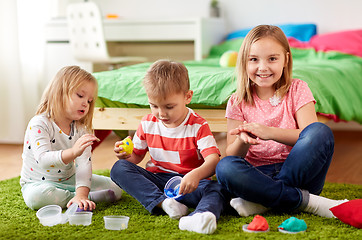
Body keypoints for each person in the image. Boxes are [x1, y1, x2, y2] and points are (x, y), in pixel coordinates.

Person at [215, 25, 348, 218]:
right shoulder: (237, 101)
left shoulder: (298, 89)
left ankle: (264, 201)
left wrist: (268, 132)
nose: (263, 67)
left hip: (300, 173)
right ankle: (305, 201)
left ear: (285, 59)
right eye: (254, 59)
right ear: (244, 62)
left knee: (320, 131)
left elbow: (309, 134)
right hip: (257, 176)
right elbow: (232, 154)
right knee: (225, 167)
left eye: (272, 59)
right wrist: (242, 141)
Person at [110, 60, 227, 234]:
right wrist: (124, 154)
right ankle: (164, 203)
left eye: (169, 107)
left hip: (189, 184)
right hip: (157, 182)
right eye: (154, 106)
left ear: (187, 97)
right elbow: (135, 157)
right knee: (119, 168)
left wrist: (196, 174)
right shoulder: (148, 122)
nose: (161, 113)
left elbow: (213, 159)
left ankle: (201, 216)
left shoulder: (198, 125)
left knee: (217, 189)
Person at [20, 66, 122, 211]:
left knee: (115, 188)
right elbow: (44, 160)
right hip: (37, 184)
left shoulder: (81, 129)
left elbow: (83, 165)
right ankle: (88, 198)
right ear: (59, 93)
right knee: (37, 198)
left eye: (89, 101)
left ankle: (79, 198)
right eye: (80, 96)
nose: (85, 104)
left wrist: (82, 193)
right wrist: (73, 152)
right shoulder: (39, 124)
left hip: (69, 179)